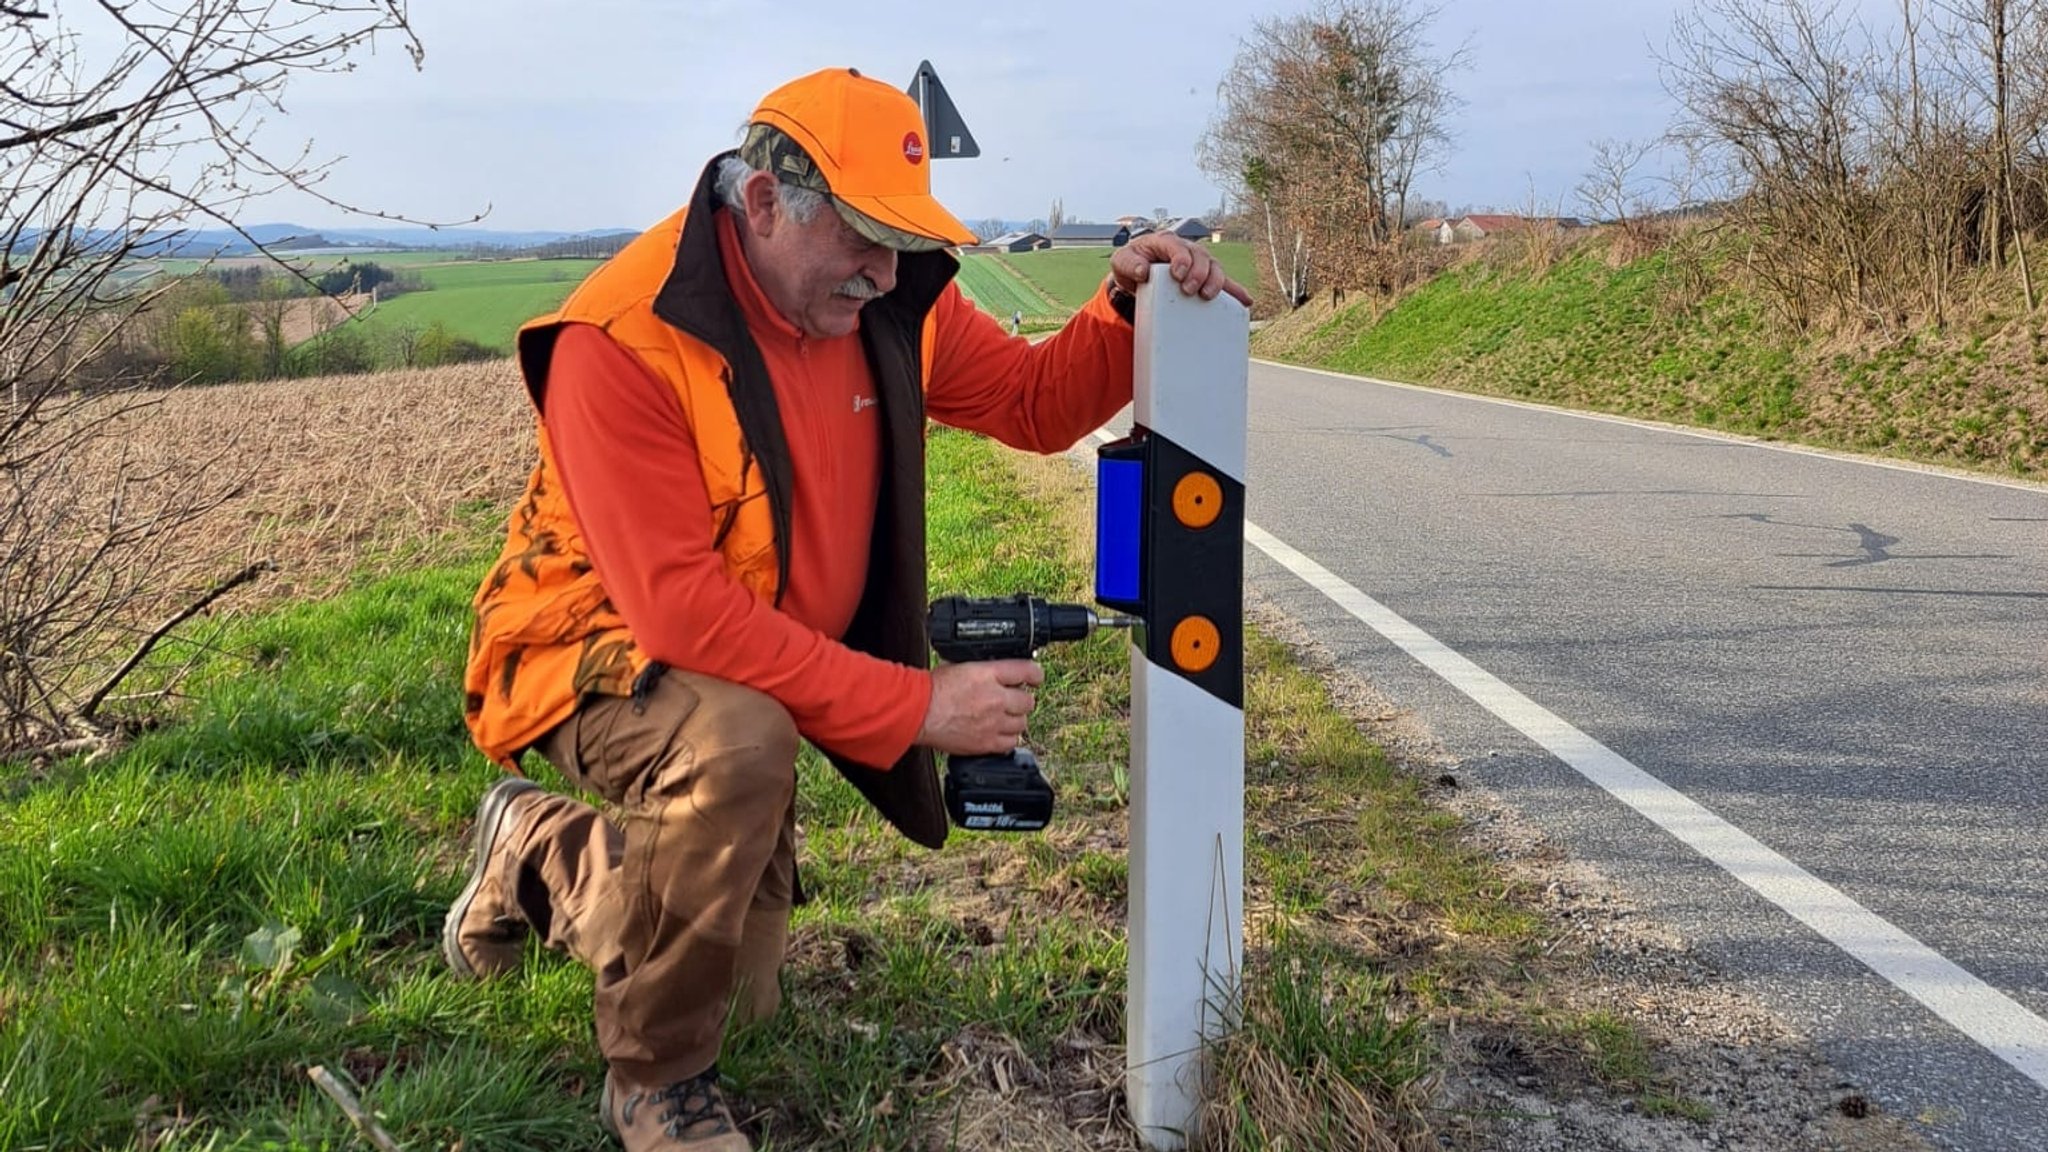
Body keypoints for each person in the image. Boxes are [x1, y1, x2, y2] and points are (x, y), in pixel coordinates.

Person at [442, 66, 1249, 1152]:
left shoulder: (890, 299)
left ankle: (535, 850)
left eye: (898, 239)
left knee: (741, 986)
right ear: (764, 202)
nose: (880, 271)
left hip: (754, 667)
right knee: (737, 747)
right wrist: (918, 707)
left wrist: (1118, 308)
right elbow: (682, 614)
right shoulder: (620, 340)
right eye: (861, 237)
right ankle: (656, 1083)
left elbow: (1028, 401)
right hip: (583, 649)